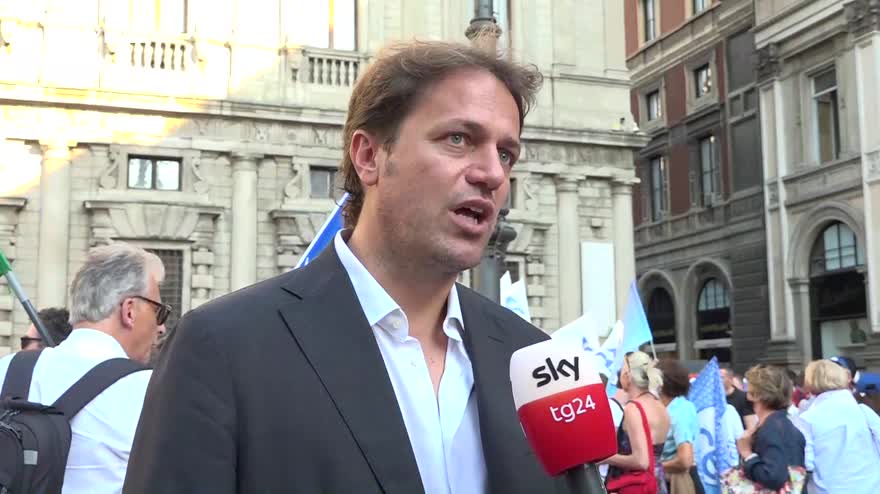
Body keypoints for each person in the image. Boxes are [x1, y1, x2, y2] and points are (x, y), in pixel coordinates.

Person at [122, 41, 576, 494]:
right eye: (458, 139)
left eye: (506, 154)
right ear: (369, 156)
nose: (492, 174)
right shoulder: (224, 348)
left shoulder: (534, 360)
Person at [0, 243, 167, 493]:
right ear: (130, 311)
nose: (161, 327)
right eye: (159, 312)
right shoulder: (149, 391)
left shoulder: (7, 368)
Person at [794, 359, 880, 493]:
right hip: (871, 488)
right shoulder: (863, 411)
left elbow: (806, 463)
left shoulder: (806, 420)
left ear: (810, 383)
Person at [604, 351, 671, 494]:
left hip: (635, 485)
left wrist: (605, 458)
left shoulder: (633, 408)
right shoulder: (660, 405)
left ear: (628, 375)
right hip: (657, 483)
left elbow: (641, 461)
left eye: (621, 370)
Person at [735, 365, 805, 491]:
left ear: (756, 394)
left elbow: (774, 477)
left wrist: (747, 454)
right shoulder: (778, 424)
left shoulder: (773, 428)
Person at [656, 359, 704, 494]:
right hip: (665, 481)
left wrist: (655, 468)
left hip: (679, 483)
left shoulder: (681, 409)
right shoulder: (662, 408)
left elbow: (685, 460)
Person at [721, 365, 757, 429]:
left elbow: (751, 425)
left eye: (721, 377)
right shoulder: (714, 399)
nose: (718, 380)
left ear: (730, 379)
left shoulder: (743, 397)